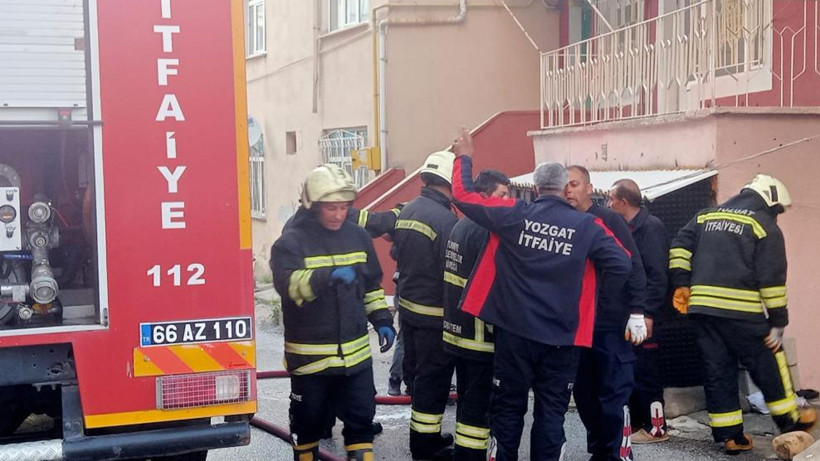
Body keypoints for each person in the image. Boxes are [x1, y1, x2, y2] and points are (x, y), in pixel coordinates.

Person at [450, 129, 633, 461]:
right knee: (551, 413)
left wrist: (464, 155)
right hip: (562, 337)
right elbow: (623, 263)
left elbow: (463, 196)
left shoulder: (514, 214)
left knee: (507, 408)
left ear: (535, 188)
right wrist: (598, 302)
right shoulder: (587, 226)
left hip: (514, 334)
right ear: (565, 189)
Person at [669, 174, 816, 454]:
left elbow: (678, 247)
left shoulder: (705, 216)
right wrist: (777, 323)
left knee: (718, 370)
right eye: (777, 211)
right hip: (743, 313)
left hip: (703, 311)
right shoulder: (763, 226)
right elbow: (772, 281)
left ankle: (731, 437)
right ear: (770, 202)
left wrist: (681, 284)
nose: (777, 216)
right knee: (770, 364)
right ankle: (791, 424)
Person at [270, 164, 396, 461]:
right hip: (311, 361)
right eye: (331, 208)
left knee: (361, 425)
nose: (339, 215)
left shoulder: (358, 237)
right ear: (313, 206)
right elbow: (288, 286)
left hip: (355, 360)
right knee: (308, 426)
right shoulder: (291, 242)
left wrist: (382, 320)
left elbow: (371, 287)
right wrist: (325, 277)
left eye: (344, 207)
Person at [565, 166, 648, 461]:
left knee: (613, 393)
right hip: (578, 325)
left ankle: (616, 454)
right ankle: (599, 450)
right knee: (585, 395)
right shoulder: (564, 220)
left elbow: (633, 265)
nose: (568, 190)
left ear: (589, 188)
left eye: (574, 184)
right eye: (565, 185)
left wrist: (638, 311)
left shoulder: (609, 219)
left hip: (611, 324)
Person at [393, 151, 459, 460]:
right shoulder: (446, 220)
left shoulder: (409, 210)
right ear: (449, 181)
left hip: (408, 309)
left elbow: (396, 252)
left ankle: (426, 435)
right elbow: (454, 270)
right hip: (435, 316)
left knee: (418, 377)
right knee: (433, 381)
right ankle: (424, 444)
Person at [442, 169, 510, 461]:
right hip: (480, 337)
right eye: (502, 195)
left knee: (469, 399)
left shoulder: (461, 226)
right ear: (483, 196)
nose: (508, 201)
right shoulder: (486, 230)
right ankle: (471, 456)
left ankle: (465, 452)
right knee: (479, 405)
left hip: (457, 334)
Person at [608, 179, 670, 444]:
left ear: (623, 201)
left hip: (644, 315)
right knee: (631, 369)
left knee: (647, 371)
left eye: (611, 199)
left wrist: (648, 313)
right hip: (628, 313)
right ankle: (636, 424)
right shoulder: (625, 227)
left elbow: (657, 275)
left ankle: (656, 427)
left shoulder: (651, 228)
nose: (608, 204)